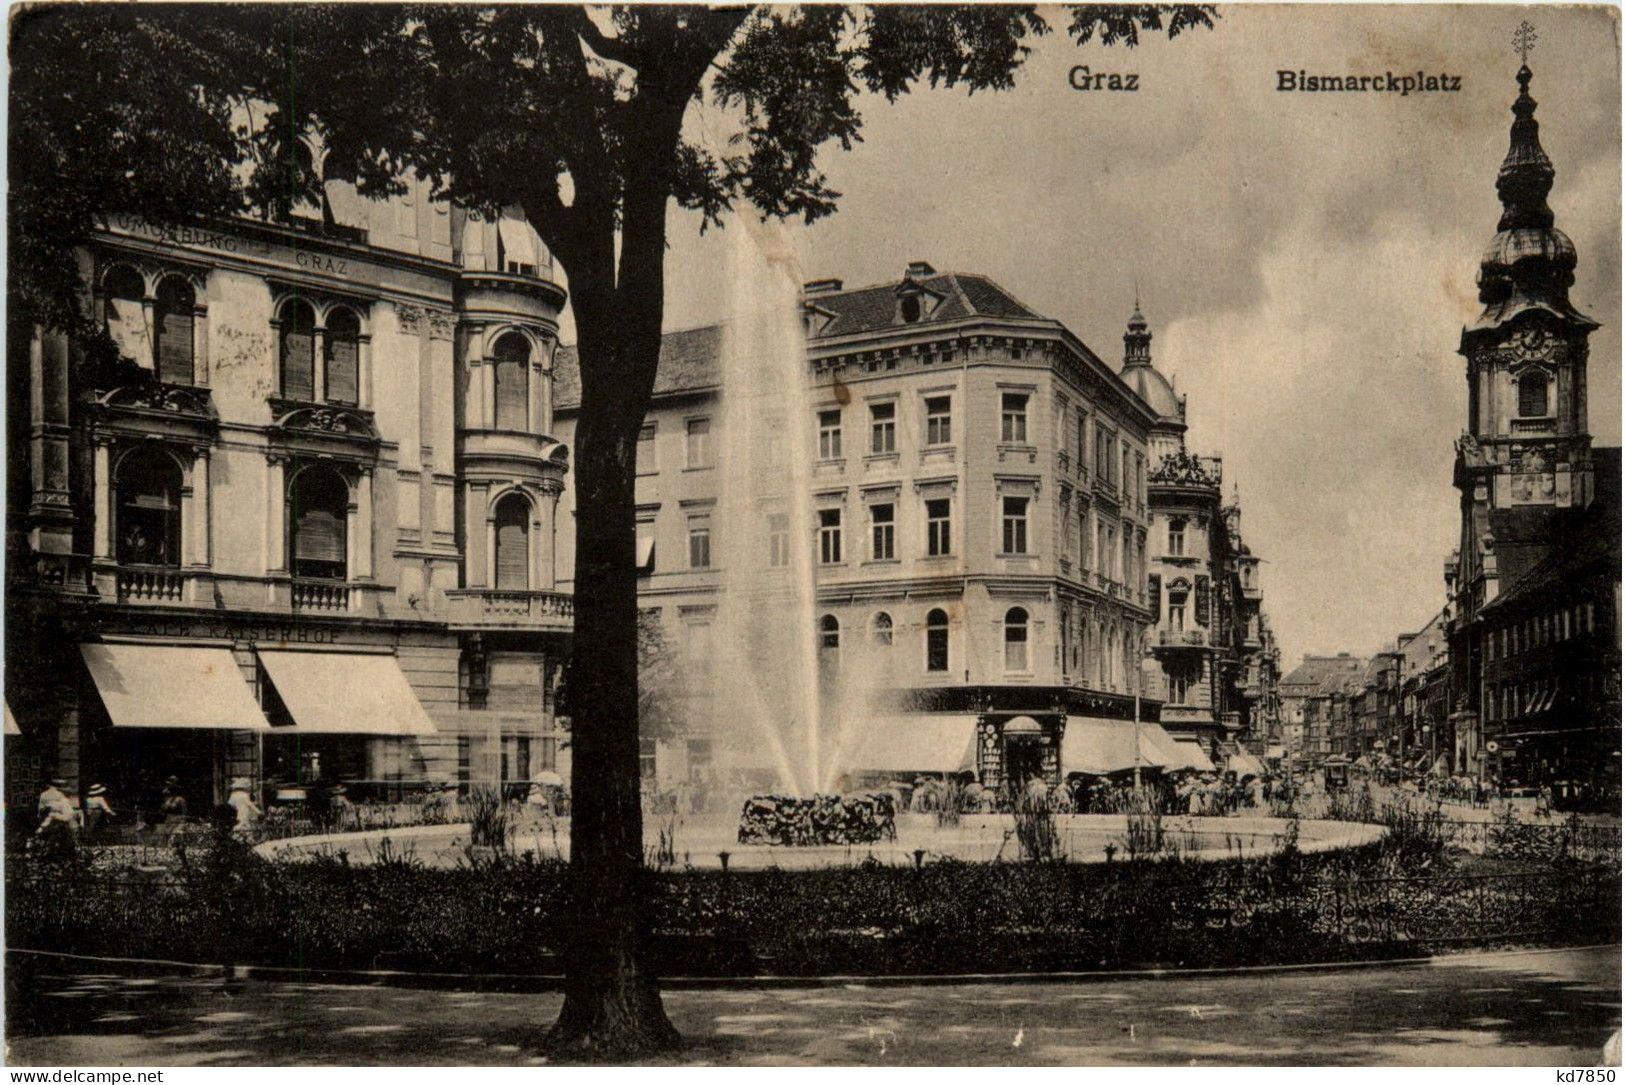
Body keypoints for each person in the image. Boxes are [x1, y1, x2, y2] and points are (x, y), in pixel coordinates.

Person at [33, 778, 79, 858]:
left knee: (53, 836)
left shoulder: (44, 795)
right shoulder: (61, 797)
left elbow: (40, 809)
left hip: (51, 818)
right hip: (61, 820)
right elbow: (69, 813)